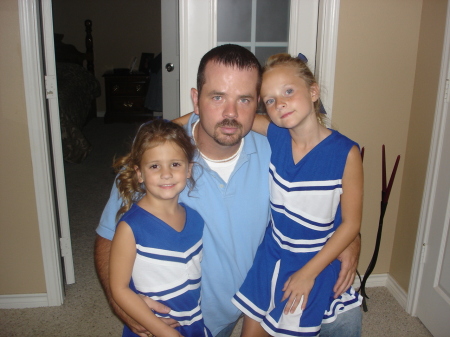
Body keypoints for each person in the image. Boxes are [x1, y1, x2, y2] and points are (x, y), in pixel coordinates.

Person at [95, 44, 361, 337]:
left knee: (345, 318)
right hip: (183, 319)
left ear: (258, 104)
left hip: (262, 297)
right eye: (218, 97)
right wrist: (121, 304)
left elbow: (322, 190)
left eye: (244, 99)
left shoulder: (278, 148)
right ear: (196, 100)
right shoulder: (157, 160)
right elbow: (109, 237)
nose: (231, 113)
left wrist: (351, 239)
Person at [232, 53, 363, 337]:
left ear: (313, 91)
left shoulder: (346, 154)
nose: (279, 104)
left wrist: (308, 273)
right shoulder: (276, 134)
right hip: (272, 255)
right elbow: (231, 116)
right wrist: (176, 123)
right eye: (269, 100)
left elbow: (351, 224)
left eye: (288, 91)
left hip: (314, 260)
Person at [109, 119, 212, 337]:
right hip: (154, 327)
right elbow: (119, 288)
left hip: (191, 319)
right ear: (139, 173)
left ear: (188, 169)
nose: (166, 174)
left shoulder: (195, 219)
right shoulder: (130, 227)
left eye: (175, 164)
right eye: (155, 166)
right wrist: (164, 332)